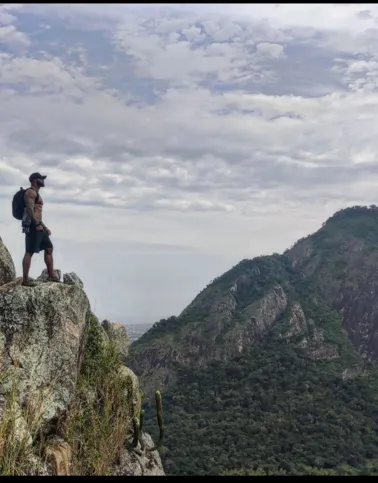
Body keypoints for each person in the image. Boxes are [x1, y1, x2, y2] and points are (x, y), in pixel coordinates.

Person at [21, 172, 59, 287]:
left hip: (39, 225)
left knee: (49, 248)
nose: (42, 180)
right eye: (40, 179)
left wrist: (44, 226)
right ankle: (25, 280)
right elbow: (29, 209)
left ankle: (51, 275)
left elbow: (37, 212)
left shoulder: (36, 193)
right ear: (34, 180)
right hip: (33, 226)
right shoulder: (30, 192)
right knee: (29, 252)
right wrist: (36, 224)